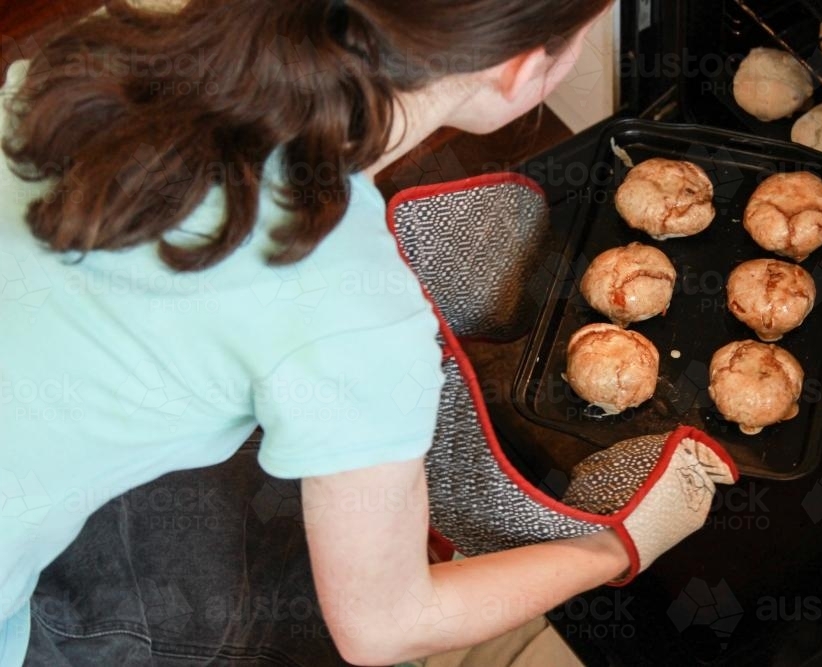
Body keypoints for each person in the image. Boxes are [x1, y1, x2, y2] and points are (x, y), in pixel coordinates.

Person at [0, 1, 630, 665]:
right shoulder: (351, 322)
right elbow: (385, 626)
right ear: (522, 69)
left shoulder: (110, 45)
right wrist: (613, 546)